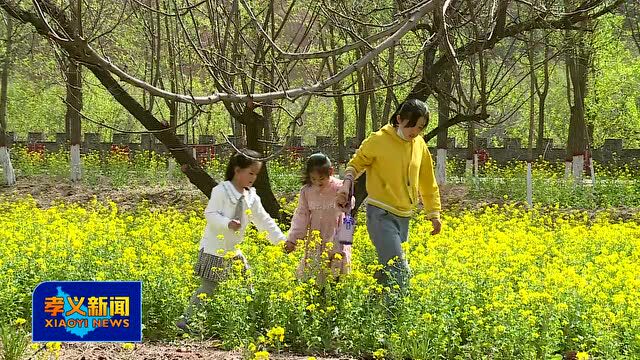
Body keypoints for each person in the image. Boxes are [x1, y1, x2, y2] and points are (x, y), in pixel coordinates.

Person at [336, 99, 442, 290]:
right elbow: (355, 164)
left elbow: (427, 180)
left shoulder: (419, 145)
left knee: (387, 272)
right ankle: (396, 314)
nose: (415, 132)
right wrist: (346, 185)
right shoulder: (379, 139)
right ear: (399, 119)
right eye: (412, 125)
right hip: (380, 214)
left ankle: (372, 311)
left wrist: (433, 213)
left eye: (420, 128)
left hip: (405, 218)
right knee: (400, 271)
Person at [177, 149, 286, 331]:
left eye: (256, 174)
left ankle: (252, 322)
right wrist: (227, 223)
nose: (253, 178)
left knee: (247, 283)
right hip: (215, 248)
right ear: (237, 170)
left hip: (233, 250)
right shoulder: (221, 191)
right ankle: (186, 320)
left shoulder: (251, 196)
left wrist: (281, 241)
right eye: (250, 173)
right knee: (208, 287)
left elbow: (264, 221)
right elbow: (210, 214)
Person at [285, 153, 353, 283]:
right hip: (317, 236)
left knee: (337, 267)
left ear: (331, 172)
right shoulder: (306, 191)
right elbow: (301, 215)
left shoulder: (340, 187)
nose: (317, 182)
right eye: (313, 179)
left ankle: (336, 294)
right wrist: (293, 239)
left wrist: (344, 197)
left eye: (321, 178)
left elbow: (350, 208)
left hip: (339, 233)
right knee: (315, 272)